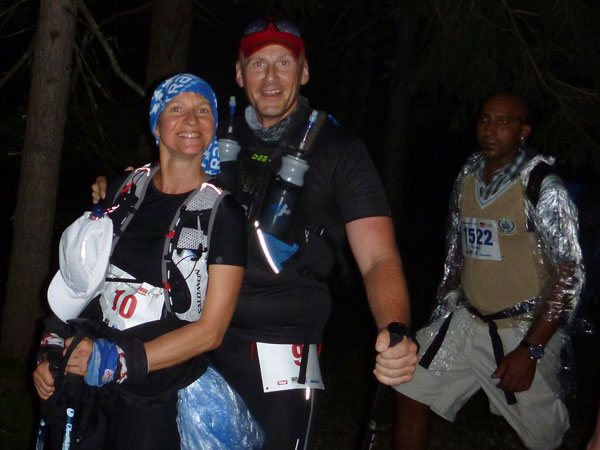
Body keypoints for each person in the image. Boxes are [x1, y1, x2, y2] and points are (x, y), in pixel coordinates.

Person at [92, 17, 418, 450]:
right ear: (239, 73)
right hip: (194, 334)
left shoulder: (341, 151)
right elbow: (165, 178)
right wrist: (115, 186)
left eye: (284, 63)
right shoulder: (213, 134)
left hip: (282, 347)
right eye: (258, 63)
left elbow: (378, 257)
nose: (270, 77)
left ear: (304, 71)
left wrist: (395, 327)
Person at [33, 74, 252, 450]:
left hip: (155, 393)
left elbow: (211, 332)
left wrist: (117, 360)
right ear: (156, 124)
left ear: (214, 127)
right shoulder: (122, 190)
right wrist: (51, 347)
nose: (191, 119)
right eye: (177, 108)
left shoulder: (223, 213)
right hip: (89, 381)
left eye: (203, 110)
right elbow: (79, 277)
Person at [393, 93, 585, 450]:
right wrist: (444, 302)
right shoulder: (469, 176)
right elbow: (459, 249)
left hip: (522, 329)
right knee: (409, 387)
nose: (490, 129)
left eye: (503, 122)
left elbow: (569, 274)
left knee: (543, 437)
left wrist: (531, 349)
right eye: (484, 119)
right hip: (467, 321)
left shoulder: (542, 186)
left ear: (523, 131)